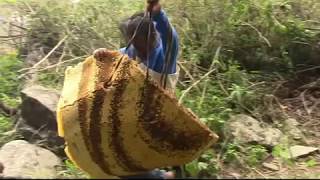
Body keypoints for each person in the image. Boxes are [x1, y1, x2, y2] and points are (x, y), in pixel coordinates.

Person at [93, 0, 179, 179]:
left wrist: (158, 15)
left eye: (138, 40)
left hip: (159, 116)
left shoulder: (164, 56)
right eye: (131, 39)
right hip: (135, 115)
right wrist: (103, 56)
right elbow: (115, 60)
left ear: (151, 37)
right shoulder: (132, 50)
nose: (135, 45)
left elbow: (171, 37)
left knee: (131, 162)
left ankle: (165, 176)